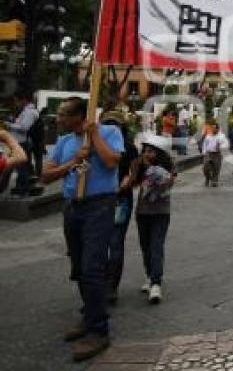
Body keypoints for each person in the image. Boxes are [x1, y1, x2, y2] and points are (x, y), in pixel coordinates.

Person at [41, 97, 124, 362]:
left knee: (92, 267)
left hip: (100, 206)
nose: (59, 118)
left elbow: (112, 162)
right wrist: (73, 162)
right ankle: (89, 314)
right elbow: (46, 175)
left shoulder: (110, 132)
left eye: (64, 114)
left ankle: (98, 329)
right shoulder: (65, 142)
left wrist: (94, 136)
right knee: (78, 265)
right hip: (72, 207)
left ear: (80, 115)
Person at [121, 135, 174, 304]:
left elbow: (170, 183)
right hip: (142, 212)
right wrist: (129, 179)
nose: (146, 154)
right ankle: (149, 275)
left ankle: (156, 283)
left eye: (150, 151)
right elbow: (131, 183)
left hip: (161, 212)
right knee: (145, 246)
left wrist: (158, 177)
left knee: (156, 246)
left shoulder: (168, 166)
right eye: (144, 150)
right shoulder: (138, 165)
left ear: (159, 153)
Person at [100, 111, 139, 305]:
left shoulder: (129, 148)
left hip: (120, 200)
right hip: (97, 200)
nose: (110, 128)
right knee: (97, 243)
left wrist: (125, 182)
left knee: (115, 243)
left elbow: (133, 172)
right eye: (107, 124)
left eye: (114, 125)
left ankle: (111, 286)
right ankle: (98, 281)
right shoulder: (94, 146)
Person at [8, 90, 40, 194]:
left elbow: (24, 127)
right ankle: (21, 186)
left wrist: (8, 125)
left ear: (24, 100)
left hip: (22, 142)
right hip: (19, 142)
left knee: (21, 167)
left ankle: (24, 187)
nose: (15, 104)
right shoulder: (26, 111)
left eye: (17, 101)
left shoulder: (30, 112)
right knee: (20, 166)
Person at [202, 122, 228, 187]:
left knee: (216, 169)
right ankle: (208, 178)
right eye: (212, 128)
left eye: (214, 128)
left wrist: (220, 147)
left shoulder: (221, 136)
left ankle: (214, 181)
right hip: (209, 153)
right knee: (206, 168)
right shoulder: (208, 135)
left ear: (217, 129)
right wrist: (204, 152)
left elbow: (226, 144)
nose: (213, 129)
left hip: (217, 154)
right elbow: (205, 144)